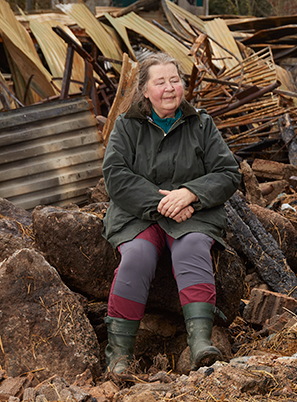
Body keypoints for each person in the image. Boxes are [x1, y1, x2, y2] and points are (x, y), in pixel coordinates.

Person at [101, 52, 241, 374]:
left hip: (192, 212)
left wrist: (190, 193)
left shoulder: (202, 124)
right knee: (136, 256)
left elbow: (228, 173)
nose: (169, 88)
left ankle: (201, 342)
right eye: (160, 82)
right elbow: (116, 176)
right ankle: (120, 355)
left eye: (175, 80)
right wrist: (162, 202)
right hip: (138, 214)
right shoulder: (126, 126)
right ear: (145, 91)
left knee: (192, 248)